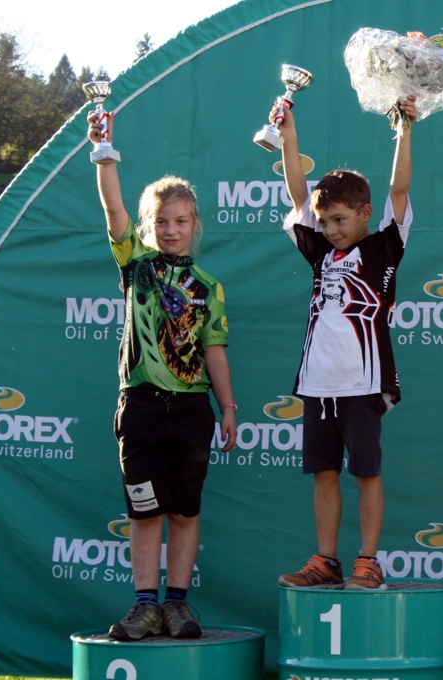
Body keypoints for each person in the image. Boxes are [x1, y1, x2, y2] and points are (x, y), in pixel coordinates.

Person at [88, 110, 237, 640]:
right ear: (147, 228)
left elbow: (214, 350)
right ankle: (145, 605)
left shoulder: (209, 287)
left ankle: (177, 605)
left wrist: (228, 407)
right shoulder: (136, 265)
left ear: (195, 225)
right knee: (145, 512)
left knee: (185, 511)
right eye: (162, 222)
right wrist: (104, 156)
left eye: (181, 221)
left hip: (193, 410)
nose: (171, 230)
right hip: (142, 407)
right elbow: (113, 209)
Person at [273, 95, 417, 590]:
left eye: (341, 220)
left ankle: (368, 561)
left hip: (364, 382)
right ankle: (325, 560)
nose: (332, 230)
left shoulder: (384, 247)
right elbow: (299, 197)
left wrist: (404, 129)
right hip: (318, 384)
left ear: (364, 213)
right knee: (324, 473)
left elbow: (400, 187)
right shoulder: (320, 254)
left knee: (366, 474)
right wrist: (289, 138)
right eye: (326, 222)